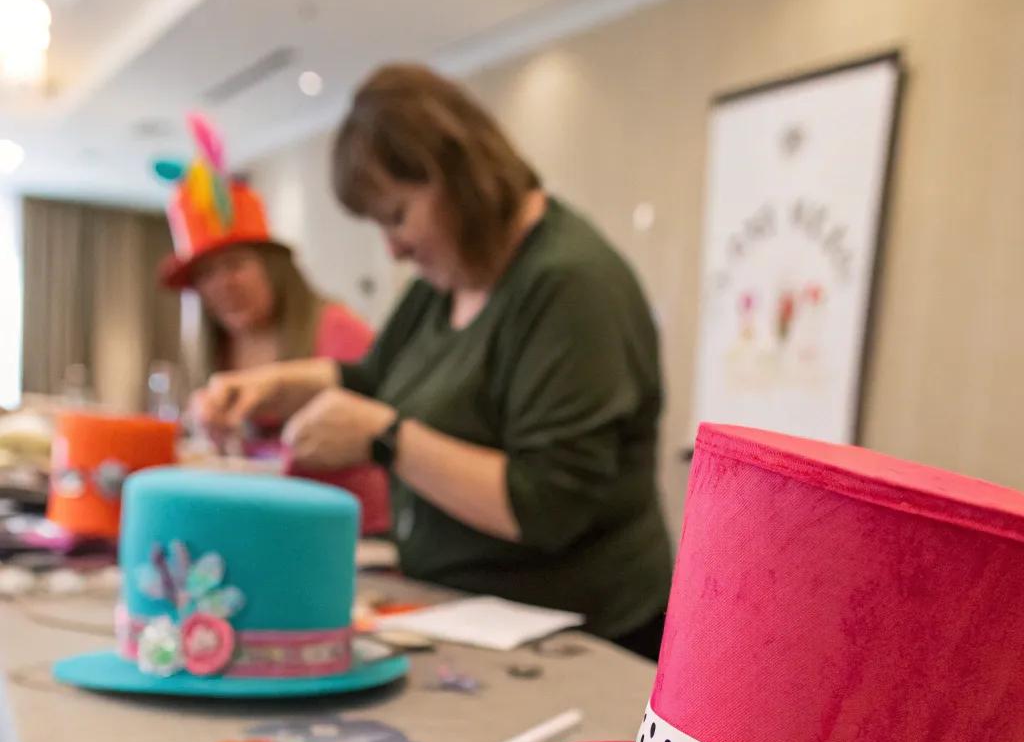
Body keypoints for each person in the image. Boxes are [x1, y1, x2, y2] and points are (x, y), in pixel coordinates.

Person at [193, 65, 672, 654]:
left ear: (459, 177)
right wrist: (269, 387)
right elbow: (371, 380)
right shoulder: (446, 281)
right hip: (468, 616)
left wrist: (387, 439)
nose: (392, 247)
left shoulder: (570, 286)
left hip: (583, 635)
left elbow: (547, 505)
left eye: (397, 216)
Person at [158, 142, 390, 532]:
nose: (221, 286)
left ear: (274, 267)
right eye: (206, 275)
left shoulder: (339, 332)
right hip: (261, 524)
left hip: (346, 531)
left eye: (234, 266)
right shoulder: (221, 350)